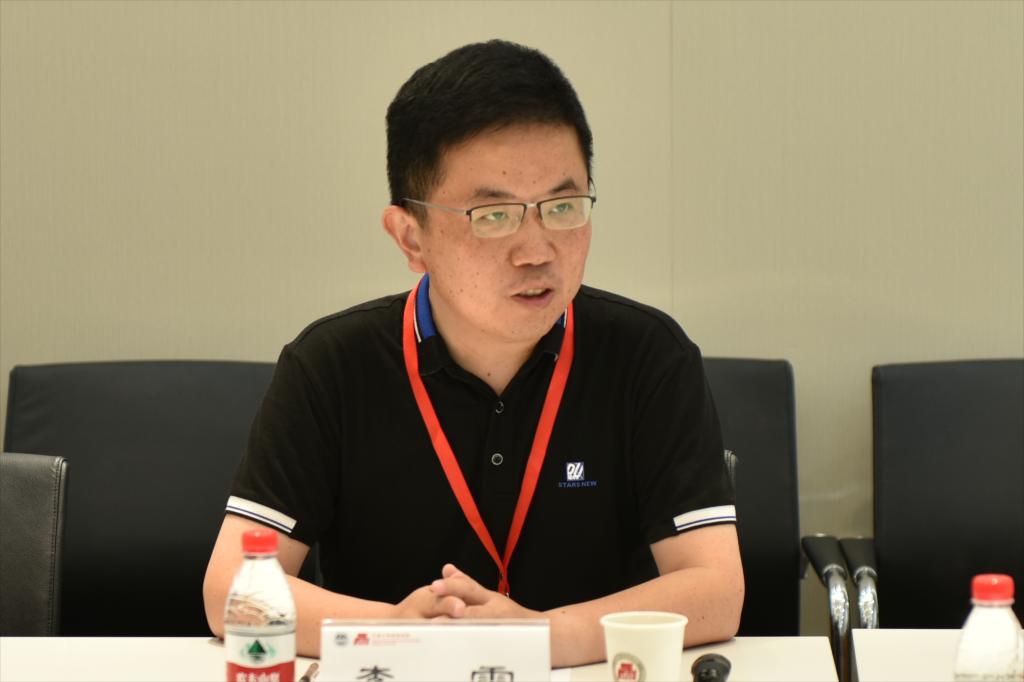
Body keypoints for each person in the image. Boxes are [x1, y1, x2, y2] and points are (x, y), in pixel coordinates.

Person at [203, 39, 743, 667]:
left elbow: (716, 591)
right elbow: (231, 592)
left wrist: (542, 636)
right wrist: (392, 629)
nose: (537, 250)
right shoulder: (331, 366)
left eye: (562, 207)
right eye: (493, 216)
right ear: (411, 237)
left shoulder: (647, 355)